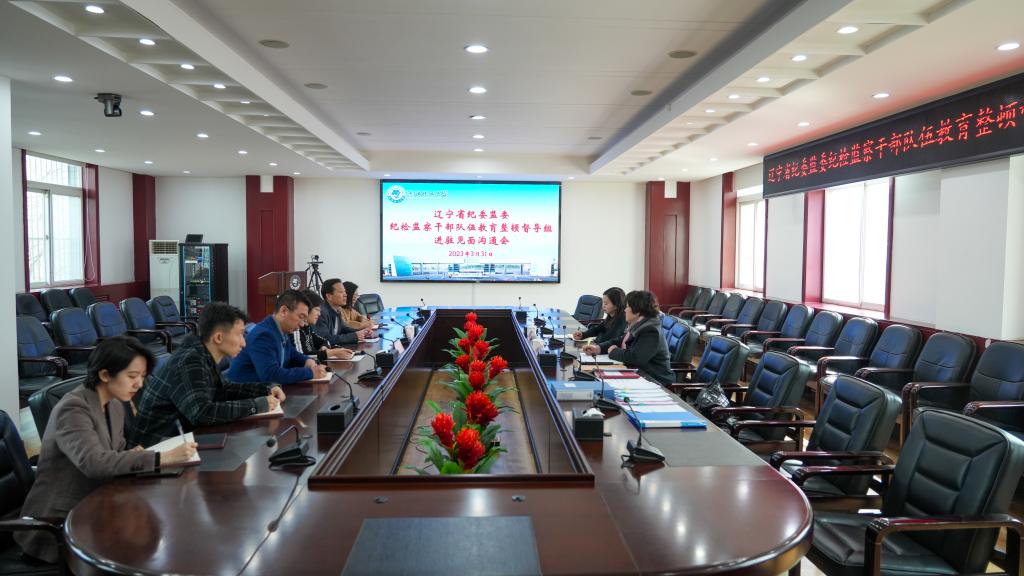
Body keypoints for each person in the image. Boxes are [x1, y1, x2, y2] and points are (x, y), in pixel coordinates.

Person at [17, 337, 197, 564]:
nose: (139, 385)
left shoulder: (114, 404)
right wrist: (161, 457)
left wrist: (132, 453)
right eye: (132, 376)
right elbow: (95, 463)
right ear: (104, 375)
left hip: (100, 504)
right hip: (59, 523)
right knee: (141, 551)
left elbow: (115, 451)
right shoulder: (72, 409)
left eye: (142, 377)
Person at [128, 302, 288, 447]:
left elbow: (223, 390)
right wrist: (256, 405)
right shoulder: (189, 360)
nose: (243, 343)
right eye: (239, 334)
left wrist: (266, 388)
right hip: (154, 450)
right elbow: (202, 413)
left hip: (180, 440)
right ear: (218, 337)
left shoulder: (201, 353)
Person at [225, 290, 329, 385]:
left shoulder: (281, 331)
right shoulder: (264, 335)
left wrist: (307, 361)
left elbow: (292, 354)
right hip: (244, 393)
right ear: (284, 311)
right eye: (300, 317)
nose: (302, 324)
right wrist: (310, 373)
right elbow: (271, 375)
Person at [607, 290, 674, 386]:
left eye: (627, 307)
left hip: (654, 380)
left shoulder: (650, 330)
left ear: (637, 311)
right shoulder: (639, 325)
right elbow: (621, 340)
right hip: (641, 374)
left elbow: (635, 358)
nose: (625, 310)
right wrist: (599, 348)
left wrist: (614, 352)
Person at [292, 290, 355, 360]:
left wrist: (324, 348)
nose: (319, 314)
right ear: (306, 309)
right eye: (316, 310)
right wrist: (331, 353)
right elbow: (301, 357)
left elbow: (325, 341)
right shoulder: (295, 329)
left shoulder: (307, 327)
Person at [316, 278, 374, 346]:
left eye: (345, 292)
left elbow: (343, 329)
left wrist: (362, 333)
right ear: (329, 296)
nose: (345, 295)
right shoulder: (321, 312)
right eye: (341, 292)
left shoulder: (337, 309)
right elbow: (325, 339)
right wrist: (354, 336)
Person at [576, 287, 627, 355]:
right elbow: (598, 328)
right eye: (603, 303)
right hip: (603, 348)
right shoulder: (611, 317)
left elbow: (608, 338)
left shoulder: (621, 319)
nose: (603, 306)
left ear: (616, 305)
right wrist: (583, 334)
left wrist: (598, 338)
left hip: (608, 353)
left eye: (606, 304)